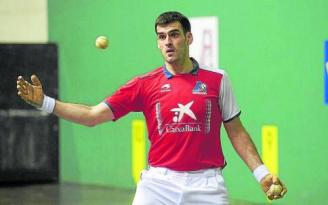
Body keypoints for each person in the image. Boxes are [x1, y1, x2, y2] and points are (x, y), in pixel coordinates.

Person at [17, 11, 287, 205]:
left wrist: (261, 173)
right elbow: (91, 116)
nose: (167, 42)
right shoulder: (144, 84)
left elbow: (236, 131)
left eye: (174, 35)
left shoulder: (217, 79)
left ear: (188, 37)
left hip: (207, 185)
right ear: (157, 42)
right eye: (161, 37)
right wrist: (45, 102)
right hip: (158, 185)